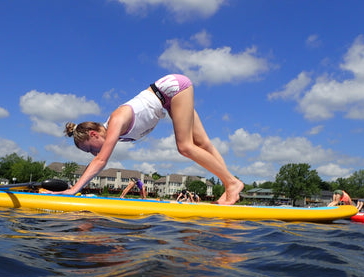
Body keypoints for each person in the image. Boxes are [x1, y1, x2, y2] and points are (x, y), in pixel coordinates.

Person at [49, 74, 244, 205]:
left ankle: (231, 183)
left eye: (90, 149)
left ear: (94, 134)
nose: (93, 153)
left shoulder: (116, 120)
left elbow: (101, 161)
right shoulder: (114, 131)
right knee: (202, 144)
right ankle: (228, 189)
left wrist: (73, 190)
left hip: (173, 89)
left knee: (185, 146)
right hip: (168, 100)